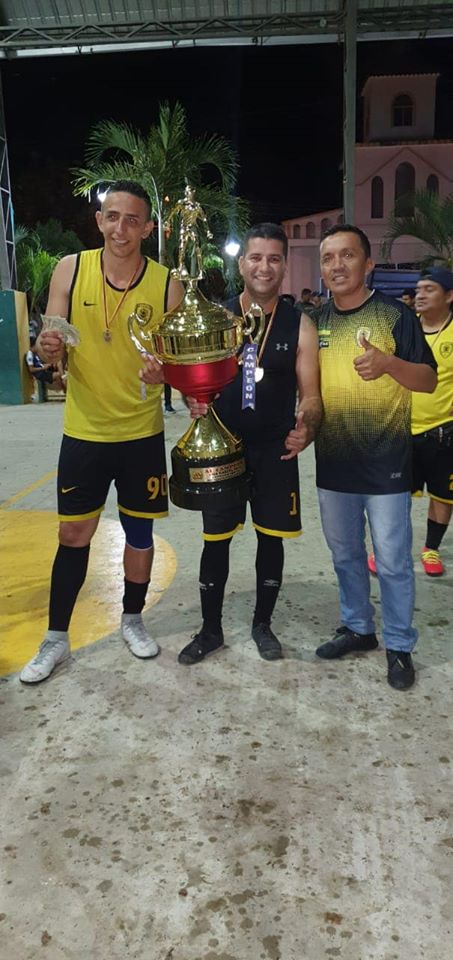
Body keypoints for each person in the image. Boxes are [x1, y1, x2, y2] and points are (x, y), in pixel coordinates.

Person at [20, 180, 182, 683]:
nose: (121, 228)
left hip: (141, 433)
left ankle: (132, 620)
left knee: (140, 534)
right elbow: (50, 342)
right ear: (99, 220)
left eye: (132, 220)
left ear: (148, 228)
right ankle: (56, 638)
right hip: (85, 431)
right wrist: (47, 348)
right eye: (112, 217)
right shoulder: (71, 269)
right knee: (73, 533)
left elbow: (178, 362)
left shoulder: (166, 284)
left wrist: (166, 373)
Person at [177, 223, 322, 665]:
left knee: (270, 538)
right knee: (215, 539)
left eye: (274, 259)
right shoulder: (214, 318)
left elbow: (311, 394)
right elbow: (192, 380)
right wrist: (192, 399)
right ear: (241, 264)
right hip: (223, 449)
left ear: (285, 265)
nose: (264, 267)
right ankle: (210, 630)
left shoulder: (300, 324)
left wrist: (308, 425)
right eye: (255, 257)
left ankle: (263, 625)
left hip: (275, 449)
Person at [313, 224, 437, 691]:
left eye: (347, 256)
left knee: (392, 561)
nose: (337, 265)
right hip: (333, 462)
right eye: (328, 258)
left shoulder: (394, 316)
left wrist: (388, 364)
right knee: (345, 554)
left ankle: (400, 645)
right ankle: (358, 627)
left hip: (386, 463)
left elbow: (427, 379)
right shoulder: (315, 322)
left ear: (367, 264)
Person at [369, 267, 452, 578]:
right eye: (419, 289)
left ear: (449, 296)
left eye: (430, 289)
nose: (420, 295)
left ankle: (431, 548)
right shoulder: (405, 329)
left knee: (443, 494)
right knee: (394, 496)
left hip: (443, 430)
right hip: (401, 429)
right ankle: (387, 548)